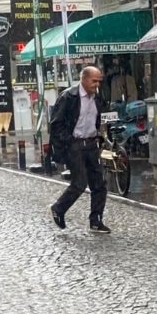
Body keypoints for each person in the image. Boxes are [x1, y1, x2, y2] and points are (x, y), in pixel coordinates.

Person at [48, 66, 110, 233]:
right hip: (74, 145)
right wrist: (66, 143)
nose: (96, 85)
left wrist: (100, 136)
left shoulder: (98, 98)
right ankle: (58, 208)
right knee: (79, 183)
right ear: (84, 79)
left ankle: (96, 220)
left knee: (99, 184)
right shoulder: (69, 97)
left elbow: (99, 118)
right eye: (94, 81)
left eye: (99, 81)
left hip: (91, 143)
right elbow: (56, 124)